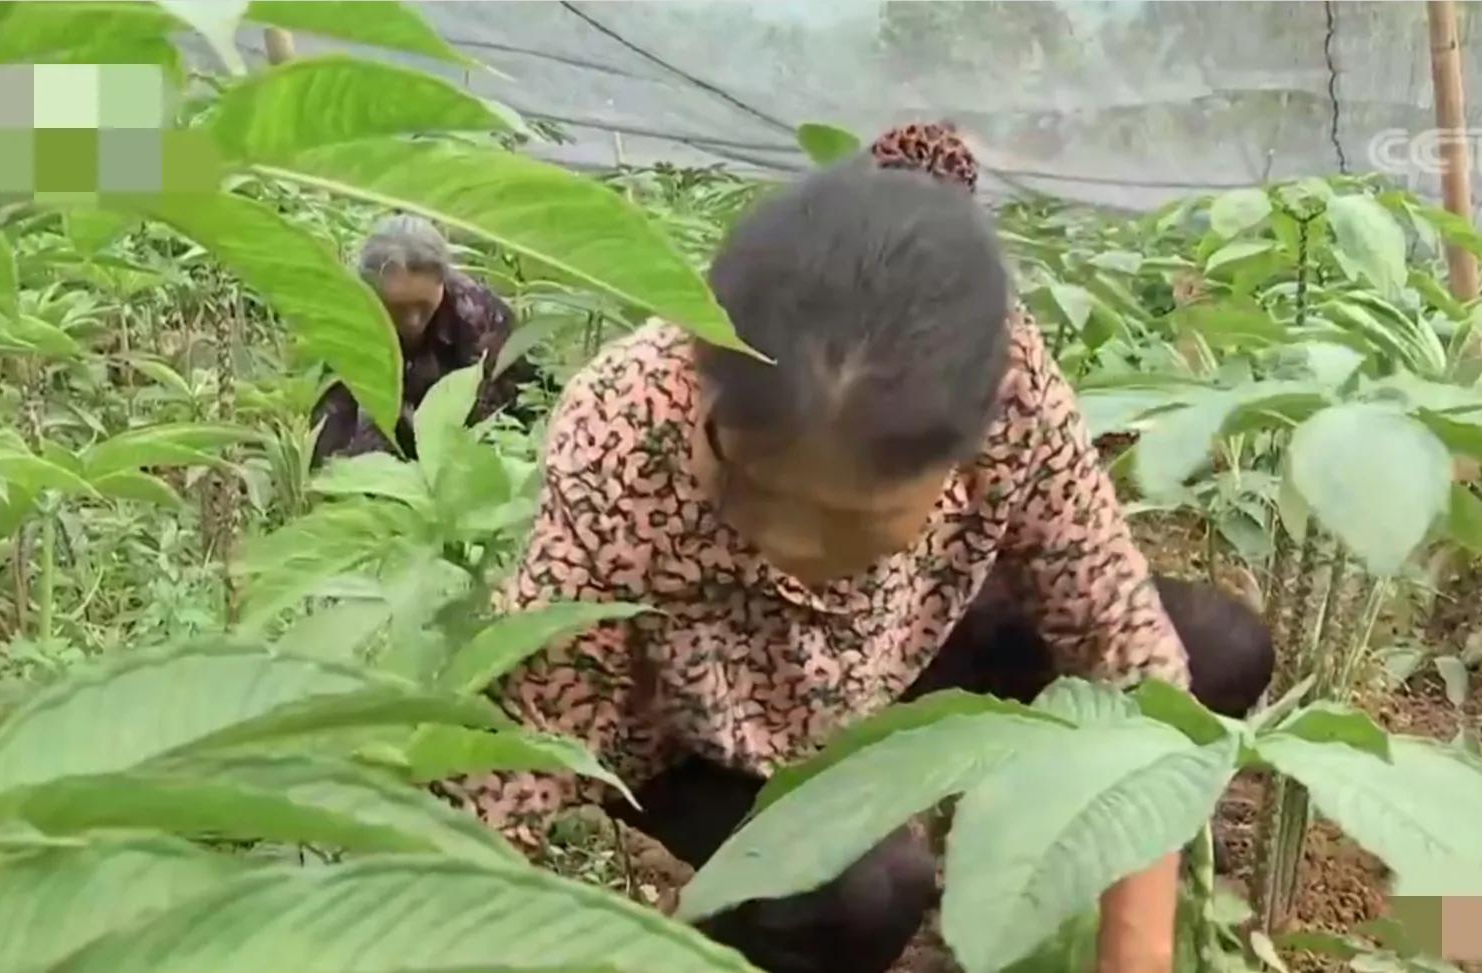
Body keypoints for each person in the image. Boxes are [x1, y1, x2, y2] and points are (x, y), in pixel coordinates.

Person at [440, 123, 1274, 973]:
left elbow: (1124, 652)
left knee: (1218, 649)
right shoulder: (623, 422)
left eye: (851, 521)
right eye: (759, 491)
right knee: (861, 889)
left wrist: (1135, 948)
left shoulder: (1003, 381)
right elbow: (528, 738)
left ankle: (1002, 860)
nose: (791, 549)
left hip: (903, 655)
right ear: (708, 372)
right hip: (706, 725)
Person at [309, 214, 543, 466]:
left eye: (423, 305)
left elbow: (497, 418)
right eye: (397, 307)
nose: (412, 321)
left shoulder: (478, 317)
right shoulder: (352, 317)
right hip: (393, 427)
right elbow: (331, 413)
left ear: (441, 283)